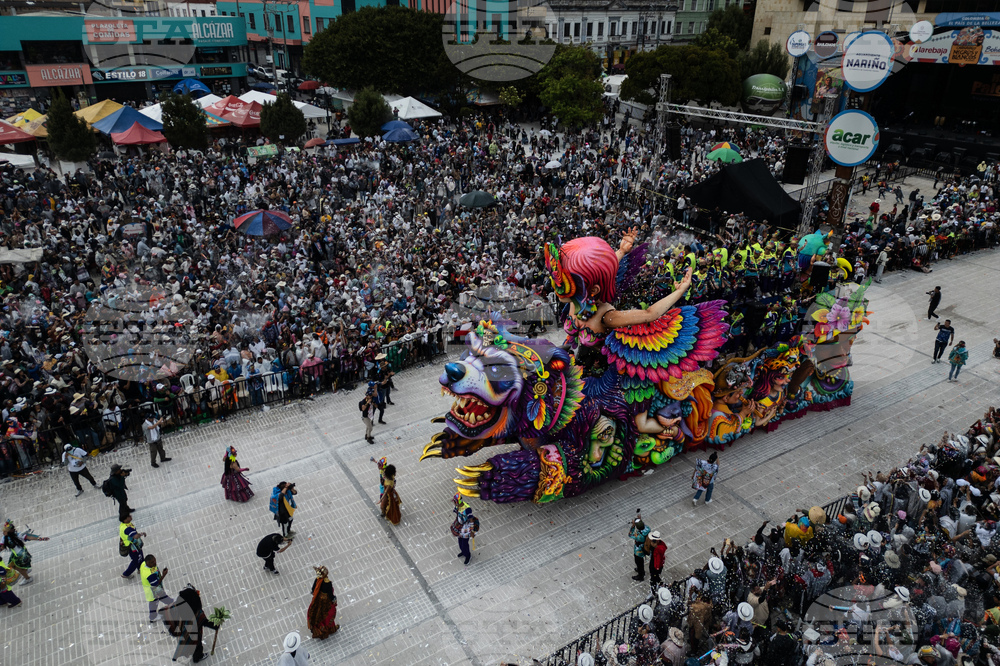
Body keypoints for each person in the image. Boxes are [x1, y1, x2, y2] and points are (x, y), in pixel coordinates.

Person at [164, 583, 214, 663]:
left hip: (183, 630)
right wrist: (215, 625)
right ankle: (197, 657)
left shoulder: (179, 604)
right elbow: (203, 621)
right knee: (197, 644)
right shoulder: (195, 611)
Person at [2, 520, 47, 585]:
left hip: (21, 555)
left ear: (8, 532)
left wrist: (41, 538)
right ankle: (26, 570)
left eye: (4, 531)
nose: (3, 532)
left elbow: (29, 537)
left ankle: (27, 578)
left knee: (18, 568)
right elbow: (2, 546)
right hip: (16, 555)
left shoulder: (18, 535)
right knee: (12, 565)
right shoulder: (4, 538)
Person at [306, 565, 340, 639]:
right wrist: (334, 599)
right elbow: (330, 594)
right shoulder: (328, 583)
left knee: (316, 615)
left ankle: (317, 629)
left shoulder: (317, 579)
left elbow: (313, 589)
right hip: (325, 602)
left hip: (317, 600)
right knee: (328, 615)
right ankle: (328, 629)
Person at [140, 554, 175, 623]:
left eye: (154, 560)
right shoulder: (150, 575)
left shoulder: (143, 564)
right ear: (147, 563)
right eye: (152, 562)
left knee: (160, 598)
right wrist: (163, 575)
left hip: (153, 589)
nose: (154, 563)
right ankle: (153, 617)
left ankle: (170, 602)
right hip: (153, 591)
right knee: (155, 602)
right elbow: (156, 584)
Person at [373, 457, 402, 525]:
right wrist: (375, 461)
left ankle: (384, 513)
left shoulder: (389, 483)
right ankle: (384, 512)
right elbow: (380, 465)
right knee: (385, 505)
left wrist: (381, 500)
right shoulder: (386, 471)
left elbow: (386, 492)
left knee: (383, 506)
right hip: (385, 491)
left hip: (388, 494)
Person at [119, 512, 145, 579]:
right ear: (125, 519)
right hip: (132, 547)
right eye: (129, 516)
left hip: (134, 544)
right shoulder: (127, 529)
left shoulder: (123, 524)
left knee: (140, 556)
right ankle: (126, 574)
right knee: (136, 560)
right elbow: (135, 536)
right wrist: (141, 534)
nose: (131, 516)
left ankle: (140, 568)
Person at [629, 515, 651, 582]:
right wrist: (639, 521)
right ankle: (640, 570)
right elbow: (642, 526)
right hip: (645, 547)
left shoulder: (639, 536)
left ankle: (641, 575)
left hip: (639, 551)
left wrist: (633, 526)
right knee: (640, 562)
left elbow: (630, 534)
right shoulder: (647, 529)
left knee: (639, 562)